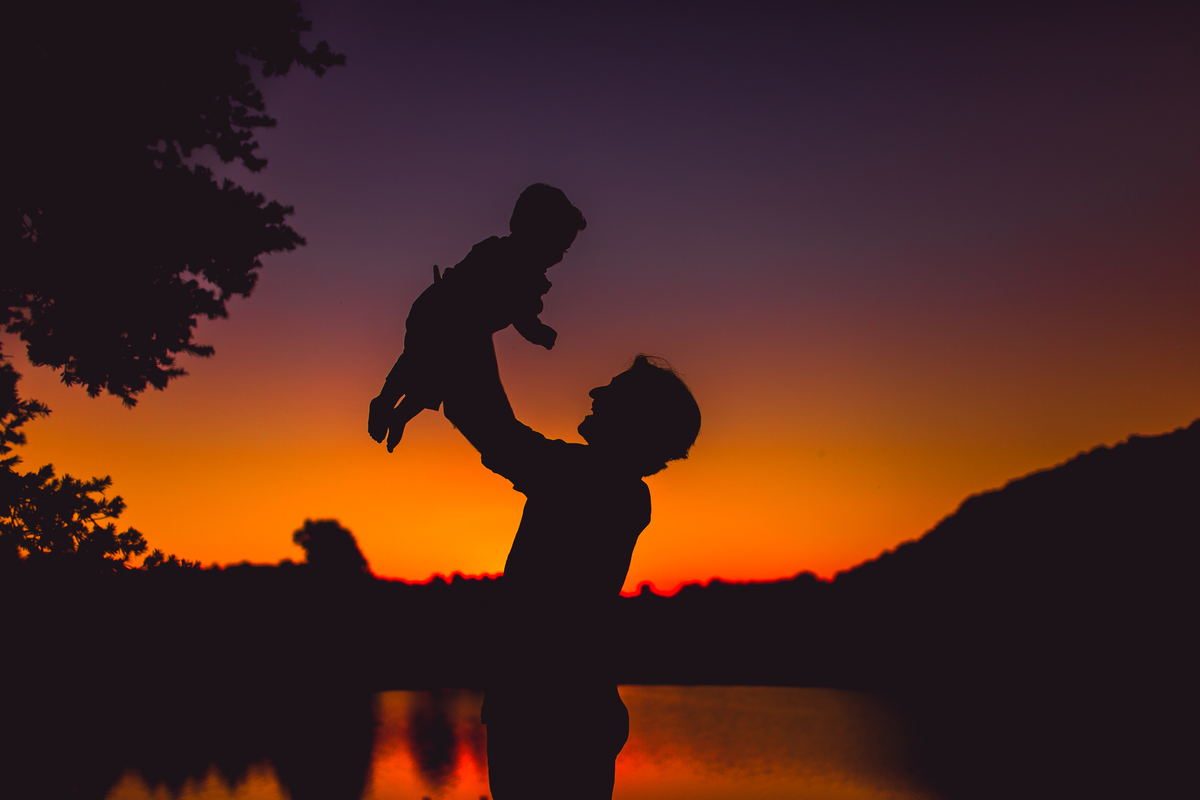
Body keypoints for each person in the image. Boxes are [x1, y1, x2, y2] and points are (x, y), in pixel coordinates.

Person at [439, 331, 701, 799]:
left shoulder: (592, 482)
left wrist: (471, 327)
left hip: (548, 713)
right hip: (569, 708)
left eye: (612, 391)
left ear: (633, 421)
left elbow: (493, 430)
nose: (595, 393)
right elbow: (490, 427)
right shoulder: (612, 487)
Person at [368, 184, 587, 451]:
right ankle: (385, 401)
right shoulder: (514, 265)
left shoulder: (510, 260)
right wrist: (538, 332)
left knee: (434, 376)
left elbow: (520, 309)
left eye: (562, 252)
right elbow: (521, 313)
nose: (557, 257)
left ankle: (398, 413)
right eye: (556, 247)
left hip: (456, 325)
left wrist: (535, 328)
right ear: (531, 231)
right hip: (443, 315)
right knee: (419, 363)